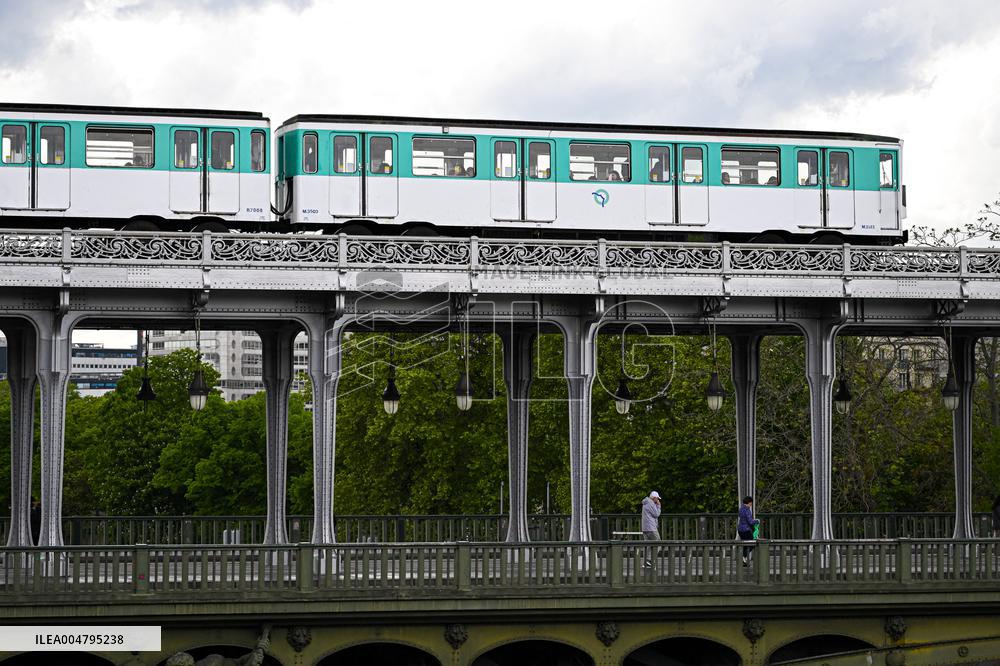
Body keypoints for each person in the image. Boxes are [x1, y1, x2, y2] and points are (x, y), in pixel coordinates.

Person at [641, 490, 661, 567]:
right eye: (657, 499)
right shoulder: (651, 503)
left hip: (645, 527)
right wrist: (659, 506)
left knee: (648, 545)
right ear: (654, 498)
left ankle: (646, 562)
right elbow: (656, 514)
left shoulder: (645, 503)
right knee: (658, 543)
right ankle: (649, 560)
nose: (658, 500)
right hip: (651, 527)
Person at [738, 495, 759, 566]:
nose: (751, 504)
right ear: (749, 502)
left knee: (745, 544)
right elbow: (750, 521)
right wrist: (757, 521)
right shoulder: (747, 510)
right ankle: (743, 557)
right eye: (751, 503)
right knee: (752, 544)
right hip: (746, 530)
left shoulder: (741, 509)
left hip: (740, 530)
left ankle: (744, 560)